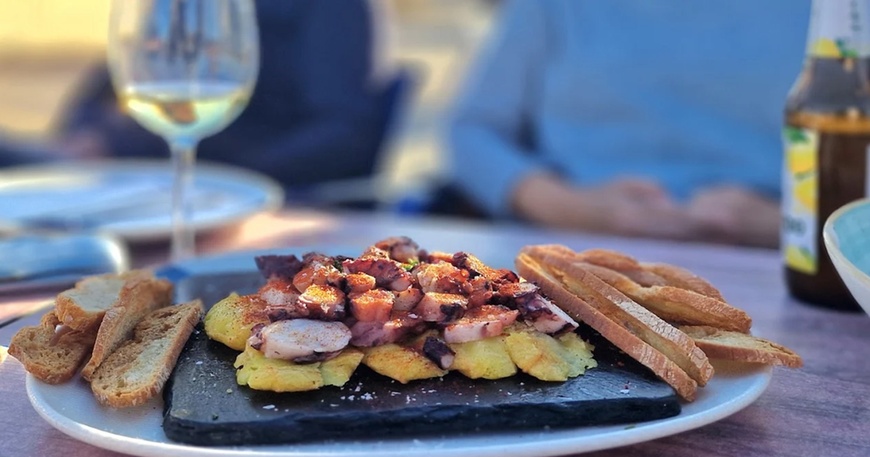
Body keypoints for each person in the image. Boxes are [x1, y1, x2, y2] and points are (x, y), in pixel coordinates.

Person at [447, 0, 810, 247]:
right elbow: (475, 129)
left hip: (776, 260)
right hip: (569, 251)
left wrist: (792, 226)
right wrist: (566, 207)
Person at [0, 0, 397, 197]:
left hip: (212, 187)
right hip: (115, 175)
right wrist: (85, 134)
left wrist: (223, 180)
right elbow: (115, 75)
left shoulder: (328, 8)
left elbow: (344, 130)